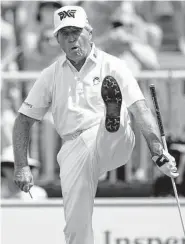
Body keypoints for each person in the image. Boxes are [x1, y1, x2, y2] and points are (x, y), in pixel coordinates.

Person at [12, 5, 179, 244]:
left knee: (116, 119)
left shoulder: (114, 65)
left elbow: (140, 109)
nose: (71, 38)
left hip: (111, 142)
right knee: (75, 228)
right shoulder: (50, 75)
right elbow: (23, 120)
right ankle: (112, 119)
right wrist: (21, 167)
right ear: (57, 39)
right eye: (64, 33)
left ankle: (112, 119)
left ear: (90, 32)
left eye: (76, 31)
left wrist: (158, 153)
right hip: (73, 149)